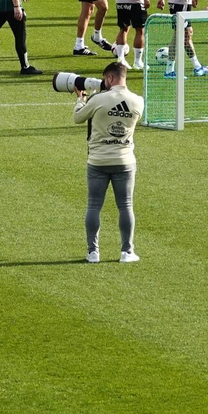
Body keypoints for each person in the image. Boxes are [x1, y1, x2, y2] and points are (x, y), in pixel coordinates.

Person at [72, 60, 145, 263]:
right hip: (125, 161)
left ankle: (93, 252)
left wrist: (81, 100)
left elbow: (78, 118)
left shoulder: (99, 100)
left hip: (98, 161)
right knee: (126, 206)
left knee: (94, 206)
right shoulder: (138, 101)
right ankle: (126, 252)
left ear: (110, 78)